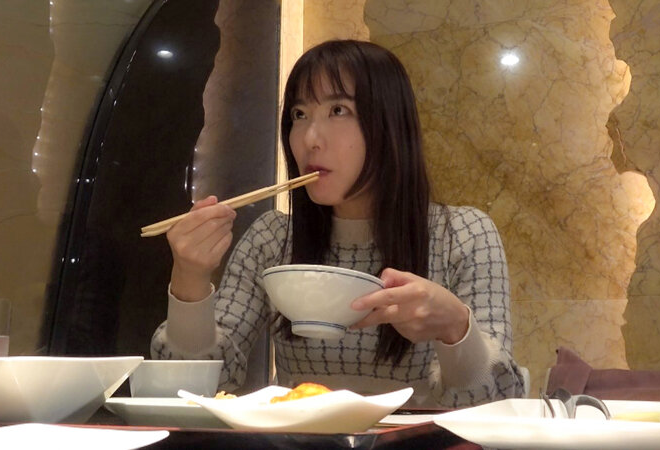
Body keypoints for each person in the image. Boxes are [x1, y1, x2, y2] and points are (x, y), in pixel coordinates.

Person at [151, 39, 525, 407]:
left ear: (390, 124)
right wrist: (189, 277)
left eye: (338, 110)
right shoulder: (272, 239)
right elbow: (195, 390)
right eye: (299, 115)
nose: (310, 139)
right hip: (298, 436)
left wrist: (456, 328)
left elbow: (497, 402)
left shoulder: (464, 235)